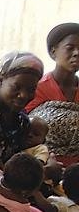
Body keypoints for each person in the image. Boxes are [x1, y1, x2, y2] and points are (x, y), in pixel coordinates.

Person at [25, 23, 79, 168]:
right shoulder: (35, 88)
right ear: (53, 51)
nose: (77, 53)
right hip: (42, 165)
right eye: (70, 48)